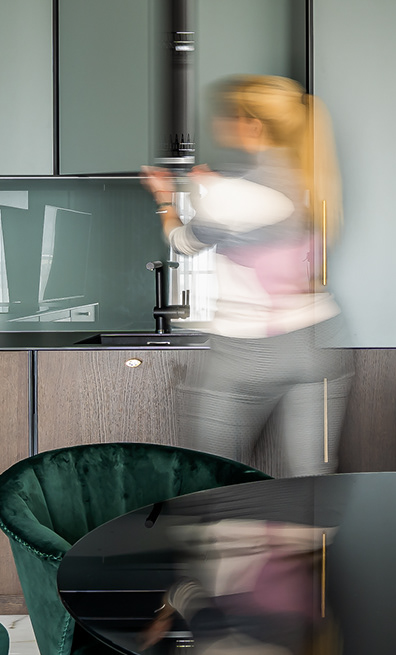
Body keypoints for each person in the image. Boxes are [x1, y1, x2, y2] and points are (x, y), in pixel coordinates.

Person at [141, 76, 352, 478]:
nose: (220, 123)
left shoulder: (232, 192)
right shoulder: (315, 182)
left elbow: (183, 242)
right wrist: (214, 190)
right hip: (320, 342)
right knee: (313, 483)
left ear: (252, 125)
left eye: (228, 116)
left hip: (249, 351)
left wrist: (165, 200)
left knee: (211, 476)